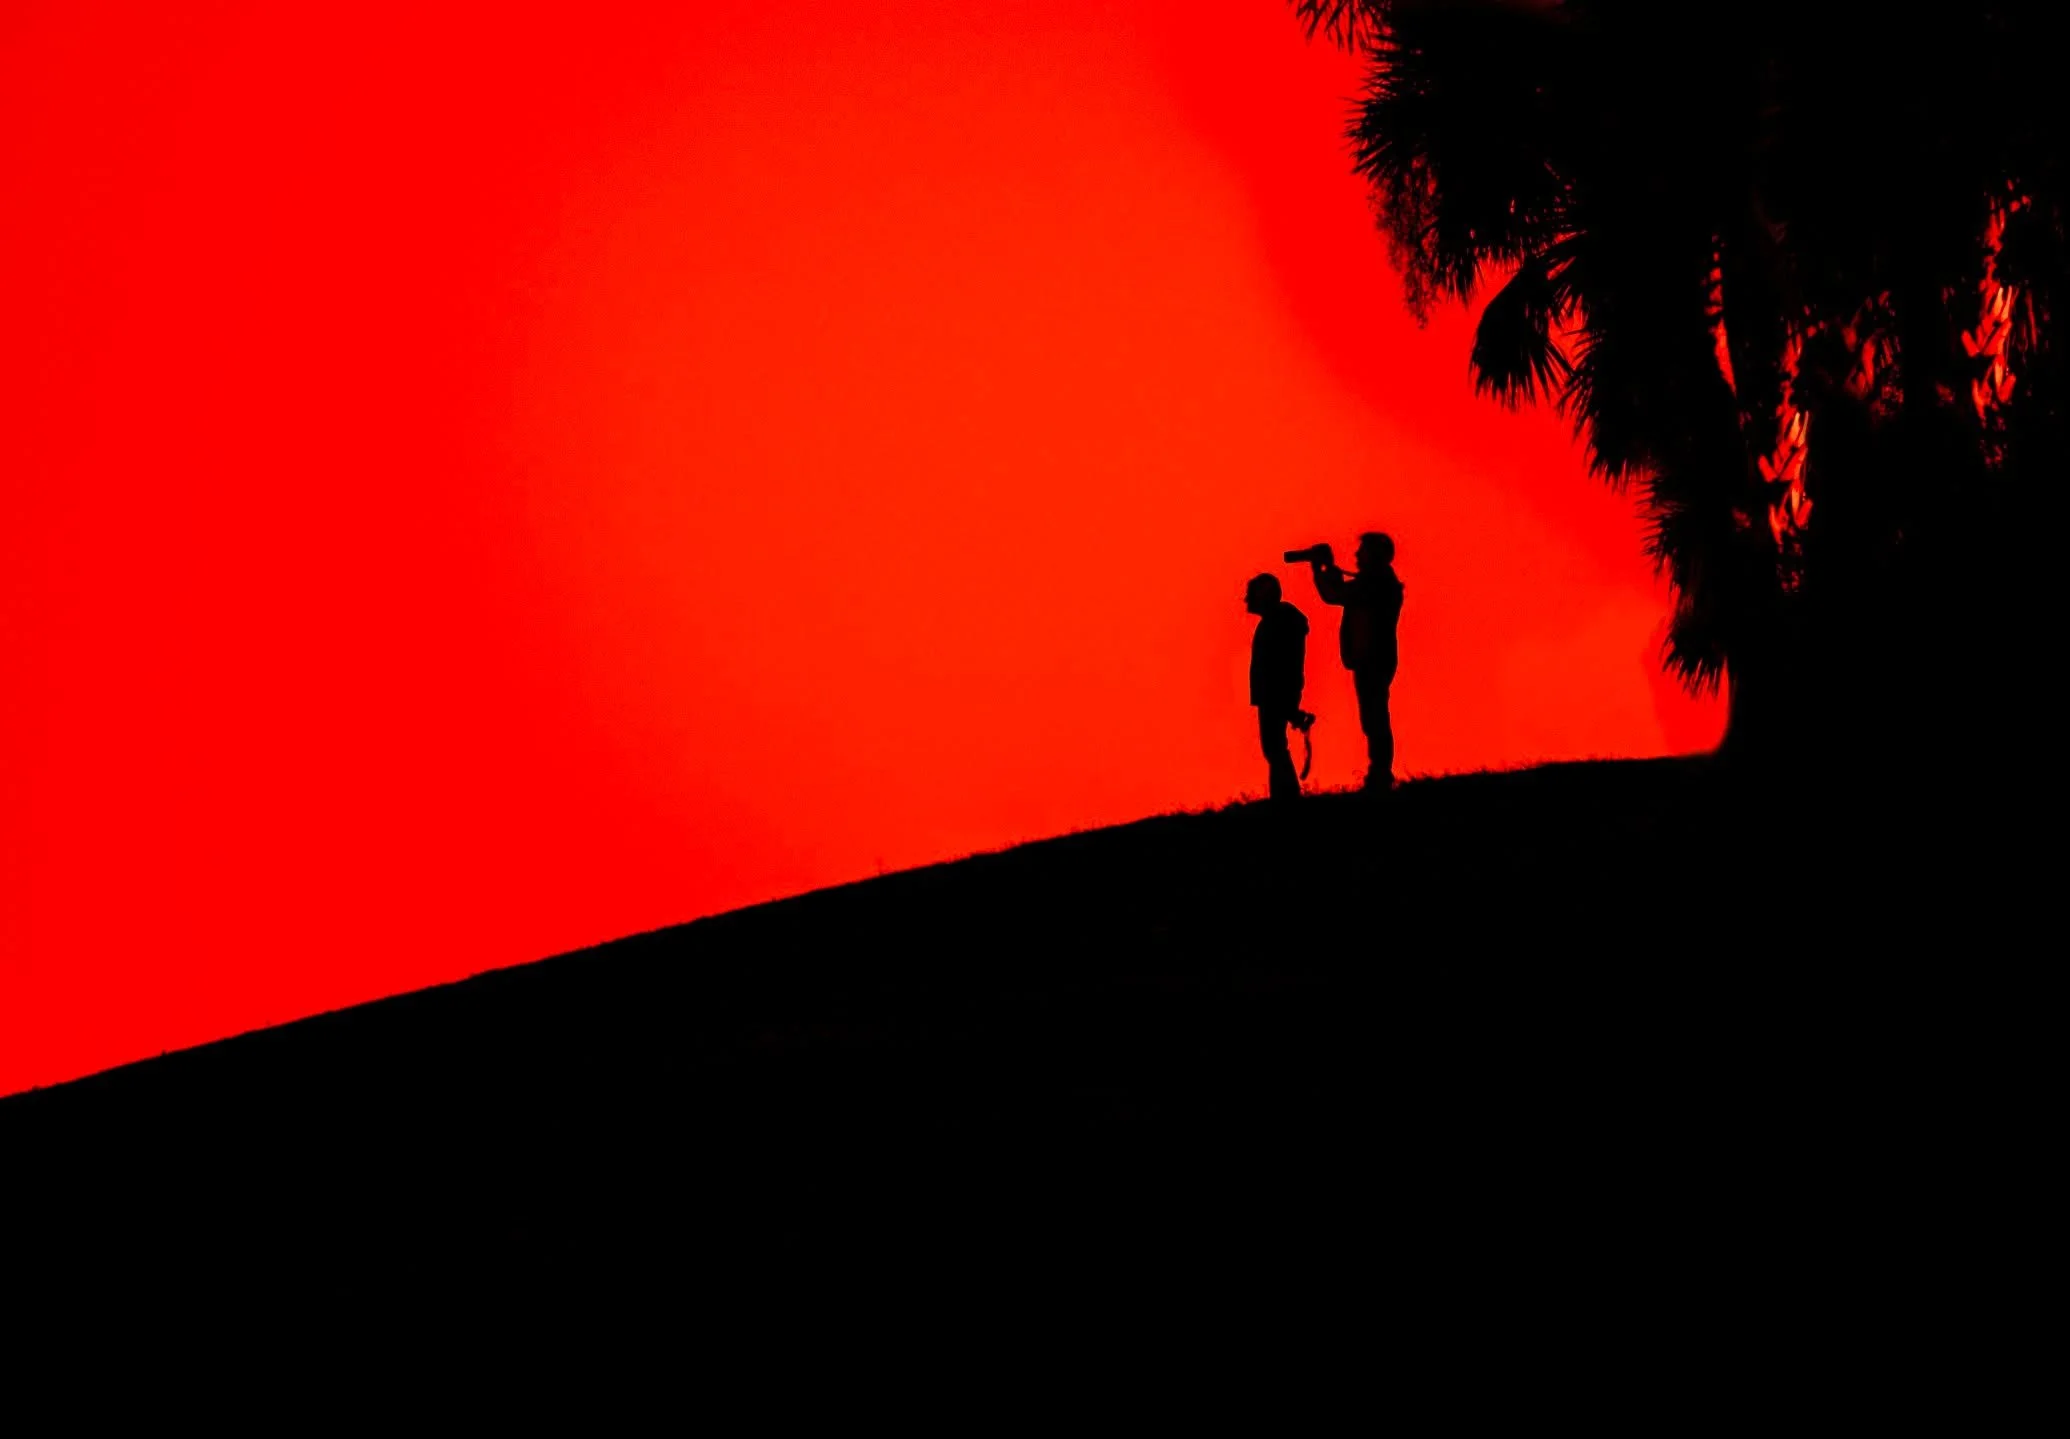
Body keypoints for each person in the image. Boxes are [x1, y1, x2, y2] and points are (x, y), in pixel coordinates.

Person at [1298, 532, 1403, 791]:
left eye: (1362, 551)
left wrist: (1321, 570)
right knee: (1374, 715)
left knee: (1374, 716)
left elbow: (1335, 595)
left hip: (1372, 657)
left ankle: (1380, 773)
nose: (1357, 556)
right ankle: (1379, 771)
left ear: (1375, 555)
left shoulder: (1375, 583)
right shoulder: (1377, 582)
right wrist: (1328, 570)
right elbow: (1341, 593)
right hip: (1372, 657)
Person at [1244, 573, 1309, 802]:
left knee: (1274, 746)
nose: (1246, 599)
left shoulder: (1278, 622)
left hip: (1275, 692)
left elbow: (1280, 663)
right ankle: (1284, 796)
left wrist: (1283, 698)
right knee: (1274, 746)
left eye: (1251, 593)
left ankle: (1286, 797)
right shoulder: (1279, 620)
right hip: (1275, 692)